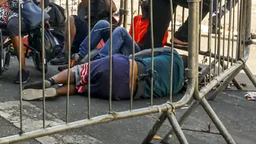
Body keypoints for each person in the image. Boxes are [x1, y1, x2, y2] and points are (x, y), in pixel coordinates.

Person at [22, 48, 185, 104]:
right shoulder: (179, 87)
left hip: (125, 67)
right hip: (125, 91)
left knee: (80, 72)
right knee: (81, 88)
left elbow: (142, 54)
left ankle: (51, 81)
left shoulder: (173, 55)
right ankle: (57, 92)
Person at [52, 0, 116, 67]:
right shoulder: (81, 6)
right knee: (56, 46)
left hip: (95, 38)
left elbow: (113, 9)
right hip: (84, 39)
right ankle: (69, 56)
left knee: (71, 18)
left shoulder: (99, 3)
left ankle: (66, 55)